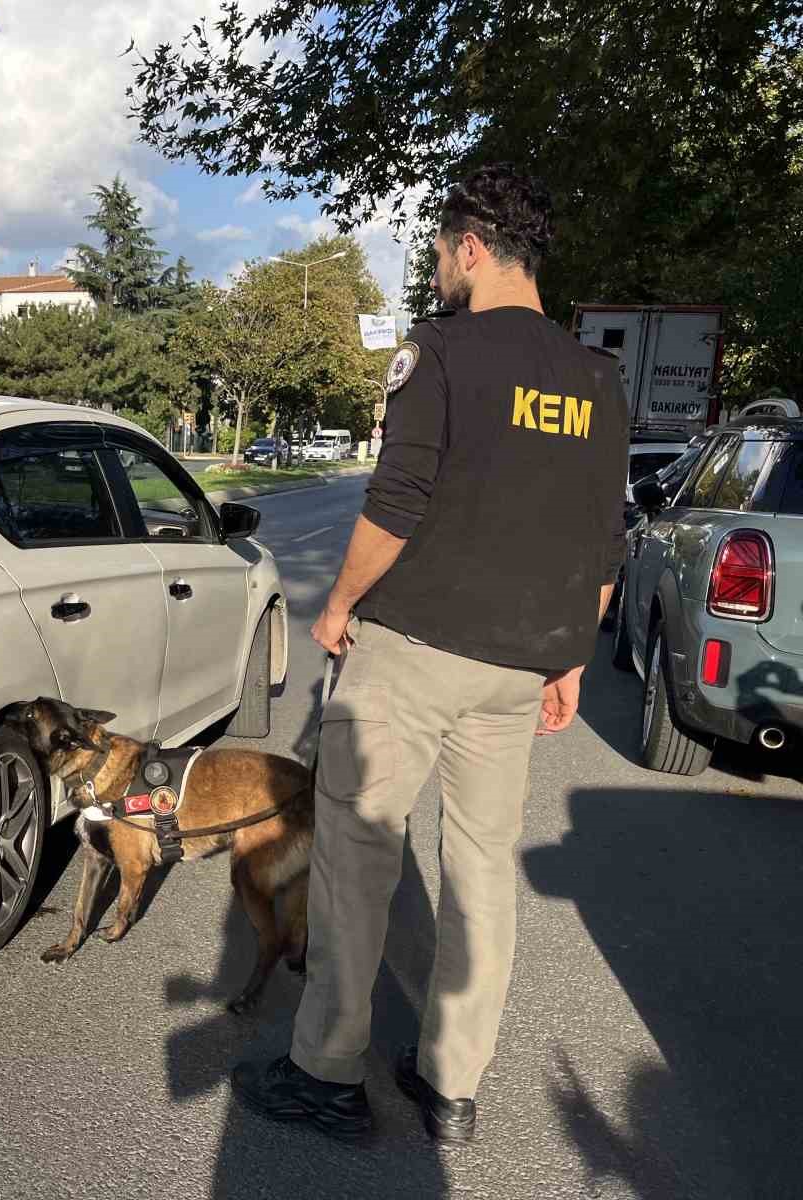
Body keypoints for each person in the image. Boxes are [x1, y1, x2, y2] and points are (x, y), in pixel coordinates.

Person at [230, 164, 629, 1143]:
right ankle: (451, 1084)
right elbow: (600, 541)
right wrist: (569, 657)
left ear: (473, 248)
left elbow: (396, 501)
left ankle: (325, 1071)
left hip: (411, 649)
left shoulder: (439, 352)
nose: (441, 269)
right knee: (483, 871)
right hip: (515, 668)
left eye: (444, 251)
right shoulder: (596, 379)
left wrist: (339, 605)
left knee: (357, 862)